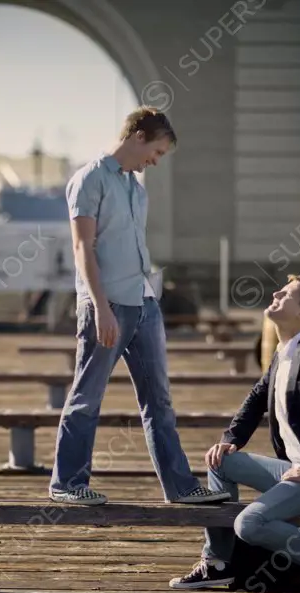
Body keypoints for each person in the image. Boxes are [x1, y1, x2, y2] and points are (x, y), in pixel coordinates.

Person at [48, 107, 228, 507]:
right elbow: (83, 248)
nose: (155, 161)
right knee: (87, 395)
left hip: (145, 302)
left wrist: (149, 297)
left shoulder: (137, 189)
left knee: (159, 400)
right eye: (157, 152)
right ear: (138, 136)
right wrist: (100, 308)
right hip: (107, 303)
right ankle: (67, 483)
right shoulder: (88, 179)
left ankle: (180, 487)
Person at [168, 275, 300, 593]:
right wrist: (231, 439)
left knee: (249, 524)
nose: (275, 294)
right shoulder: (282, 352)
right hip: (294, 470)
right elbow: (256, 399)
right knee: (221, 461)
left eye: (286, 294)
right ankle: (219, 561)